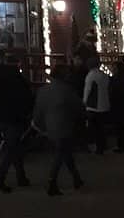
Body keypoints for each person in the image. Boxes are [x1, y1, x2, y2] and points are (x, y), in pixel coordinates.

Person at [0, 49, 34, 192]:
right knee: (11, 147)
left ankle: (21, 177)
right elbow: (26, 94)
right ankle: (0, 178)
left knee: (14, 146)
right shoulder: (15, 76)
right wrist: (27, 111)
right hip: (11, 116)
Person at [33, 64, 85, 196]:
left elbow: (38, 110)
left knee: (65, 152)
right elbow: (78, 107)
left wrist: (39, 125)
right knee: (61, 153)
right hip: (64, 125)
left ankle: (77, 179)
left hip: (49, 126)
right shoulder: (66, 90)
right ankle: (52, 181)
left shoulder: (43, 90)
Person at [82, 56, 111, 154]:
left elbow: (88, 90)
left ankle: (95, 147)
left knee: (92, 128)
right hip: (104, 105)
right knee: (101, 128)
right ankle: (102, 146)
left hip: (93, 106)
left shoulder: (91, 76)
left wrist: (84, 102)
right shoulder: (104, 75)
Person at [109, 57, 124, 153]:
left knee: (119, 126)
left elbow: (114, 90)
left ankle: (121, 146)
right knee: (122, 126)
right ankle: (122, 145)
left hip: (118, 103)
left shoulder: (116, 79)